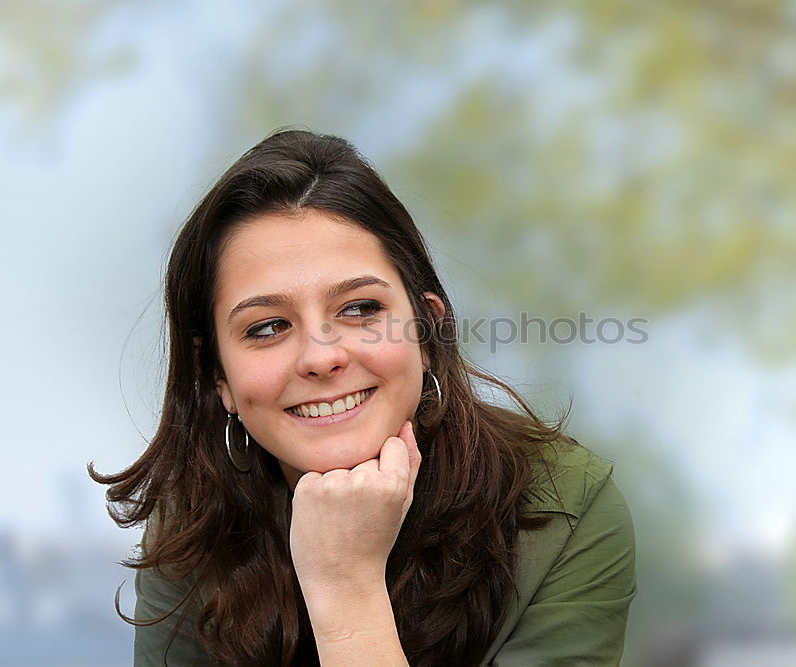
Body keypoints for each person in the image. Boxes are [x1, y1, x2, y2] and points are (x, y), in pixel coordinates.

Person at [90, 129, 636, 666]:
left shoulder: (566, 507)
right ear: (220, 380)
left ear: (427, 332)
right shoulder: (192, 520)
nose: (321, 357)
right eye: (266, 327)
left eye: (360, 309)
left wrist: (346, 590)